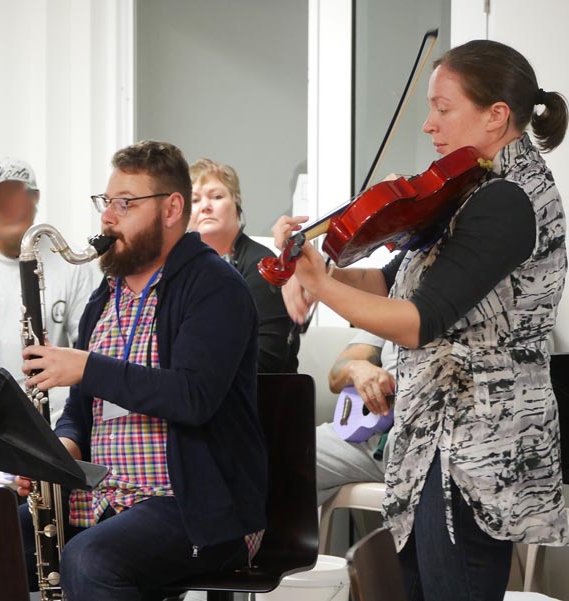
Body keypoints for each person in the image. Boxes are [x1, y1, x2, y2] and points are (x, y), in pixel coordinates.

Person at [273, 40, 569, 601]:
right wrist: (317, 265)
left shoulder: (509, 200)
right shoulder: (473, 187)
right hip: (436, 432)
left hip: (475, 442)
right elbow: (393, 283)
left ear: (496, 115)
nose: (429, 124)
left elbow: (418, 320)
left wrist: (322, 286)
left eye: (443, 107)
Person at [14, 140, 267, 600]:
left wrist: (87, 367)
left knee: (91, 560)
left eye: (125, 204)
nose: (108, 217)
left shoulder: (214, 287)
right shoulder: (104, 298)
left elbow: (193, 397)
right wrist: (60, 450)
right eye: (106, 203)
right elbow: (80, 410)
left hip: (194, 505)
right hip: (105, 497)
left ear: (172, 209)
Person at [0, 157, 97, 423]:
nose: (11, 208)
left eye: (19, 196)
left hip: (56, 419)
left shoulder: (70, 263)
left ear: (36, 199)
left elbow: (88, 349)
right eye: (1, 199)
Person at [189, 158, 299, 373]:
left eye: (217, 197)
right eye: (194, 200)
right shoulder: (180, 269)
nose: (205, 207)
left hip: (263, 397)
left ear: (237, 206)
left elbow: (267, 358)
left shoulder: (262, 265)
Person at [316, 330, 396, 506]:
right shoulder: (393, 307)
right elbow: (335, 377)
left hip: (421, 439)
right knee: (282, 451)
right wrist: (356, 367)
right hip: (371, 436)